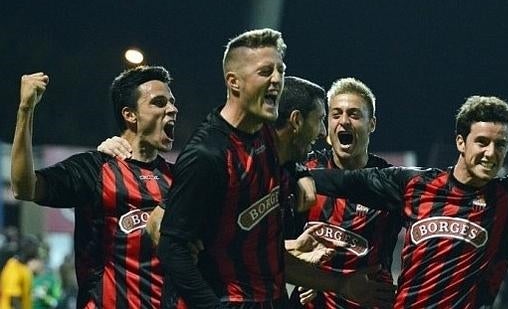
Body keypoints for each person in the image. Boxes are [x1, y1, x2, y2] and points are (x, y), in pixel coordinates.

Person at [310, 68, 508, 308]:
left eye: (500, 145)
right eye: (482, 142)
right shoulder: (415, 184)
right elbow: (349, 181)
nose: (490, 153)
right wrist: (296, 175)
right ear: (461, 142)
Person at [157, 29, 394, 308]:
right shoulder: (208, 155)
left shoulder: (268, 143)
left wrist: (300, 173)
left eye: (280, 70)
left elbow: (266, 253)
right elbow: (171, 247)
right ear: (234, 82)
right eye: (265, 71)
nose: (277, 80)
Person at [10, 66, 185, 308]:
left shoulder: (178, 180)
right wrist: (25, 110)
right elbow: (24, 187)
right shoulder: (94, 169)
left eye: (172, 102)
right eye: (159, 102)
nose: (172, 109)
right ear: (130, 115)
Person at [288, 77, 401, 308]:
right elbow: (268, 239)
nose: (344, 121)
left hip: (369, 301)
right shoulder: (301, 171)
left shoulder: (391, 182)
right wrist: (305, 274)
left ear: (372, 124)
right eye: (336, 114)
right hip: (309, 301)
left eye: (354, 114)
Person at [0, 234, 40, 309]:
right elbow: (13, 298)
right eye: (35, 247)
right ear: (28, 248)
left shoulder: (24, 268)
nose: (36, 251)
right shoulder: (13, 266)